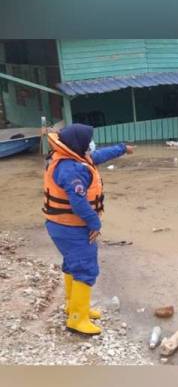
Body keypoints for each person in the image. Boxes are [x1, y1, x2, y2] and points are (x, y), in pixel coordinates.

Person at [43, 124, 133, 336]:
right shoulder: (72, 169)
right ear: (79, 144)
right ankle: (77, 319)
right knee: (85, 268)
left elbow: (97, 156)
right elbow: (78, 203)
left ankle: (73, 306)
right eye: (88, 142)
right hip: (70, 227)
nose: (91, 146)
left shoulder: (70, 157)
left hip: (60, 225)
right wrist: (95, 223)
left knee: (72, 264)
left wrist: (121, 148)